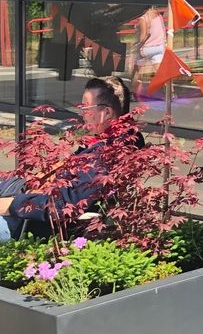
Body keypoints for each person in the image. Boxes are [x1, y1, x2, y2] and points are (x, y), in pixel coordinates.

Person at [0, 77, 143, 241]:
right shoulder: (111, 140)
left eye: (86, 108)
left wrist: (12, 205)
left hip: (34, 220)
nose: (81, 114)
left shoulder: (106, 155)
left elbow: (62, 205)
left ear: (107, 113)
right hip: (35, 192)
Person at [130, 5, 166, 98]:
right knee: (161, 73)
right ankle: (170, 93)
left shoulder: (143, 18)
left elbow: (144, 35)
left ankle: (133, 93)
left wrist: (137, 45)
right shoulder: (158, 15)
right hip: (159, 47)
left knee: (137, 72)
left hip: (146, 48)